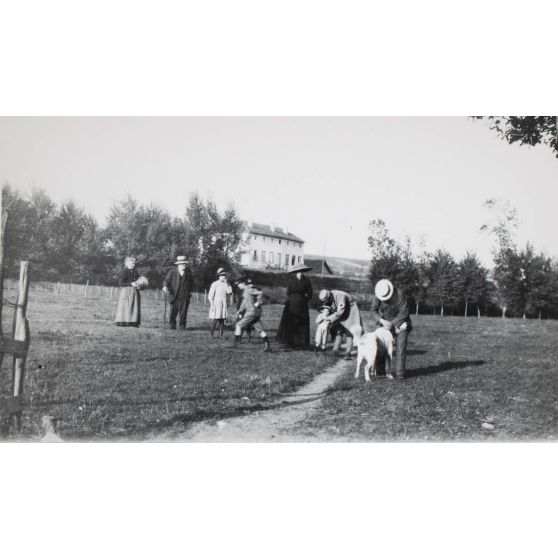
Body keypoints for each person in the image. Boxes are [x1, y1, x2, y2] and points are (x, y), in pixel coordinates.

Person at [370, 279, 412, 380]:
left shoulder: (400, 295)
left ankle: (400, 373)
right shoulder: (378, 294)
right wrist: (382, 321)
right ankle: (380, 371)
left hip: (401, 323)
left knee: (401, 347)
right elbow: (373, 310)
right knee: (380, 345)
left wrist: (392, 324)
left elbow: (404, 312)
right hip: (385, 322)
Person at [318, 289, 363, 359]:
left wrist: (329, 319)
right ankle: (335, 350)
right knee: (338, 330)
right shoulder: (330, 296)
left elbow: (340, 312)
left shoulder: (340, 296)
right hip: (340, 310)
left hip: (351, 309)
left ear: (329, 297)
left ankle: (348, 353)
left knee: (349, 331)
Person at [276, 264, 314, 347]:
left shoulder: (307, 281)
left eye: (301, 272)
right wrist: (291, 299)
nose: (299, 273)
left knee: (301, 322)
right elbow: (288, 292)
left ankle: (300, 342)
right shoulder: (292, 281)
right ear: (295, 272)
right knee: (290, 321)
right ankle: (289, 341)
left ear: (303, 272)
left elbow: (310, 293)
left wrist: (304, 300)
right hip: (291, 304)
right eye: (298, 272)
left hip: (302, 305)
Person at [233, 278, 271, 352]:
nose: (238, 286)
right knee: (260, 330)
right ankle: (268, 346)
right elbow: (244, 303)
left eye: (239, 284)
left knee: (238, 325)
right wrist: (239, 311)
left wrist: (258, 302)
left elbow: (260, 293)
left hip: (251, 312)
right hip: (255, 313)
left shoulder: (248, 289)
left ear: (243, 283)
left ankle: (235, 345)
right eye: (237, 285)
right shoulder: (245, 292)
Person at [163, 255, 194, 330]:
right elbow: (166, 280)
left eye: (185, 264)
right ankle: (172, 325)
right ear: (178, 264)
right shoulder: (172, 271)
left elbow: (192, 283)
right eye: (182, 264)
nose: (184, 265)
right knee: (173, 310)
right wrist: (165, 286)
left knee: (183, 311)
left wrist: (190, 292)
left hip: (185, 294)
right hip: (174, 294)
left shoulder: (188, 271)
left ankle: (182, 326)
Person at [115, 256, 141, 327]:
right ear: (127, 263)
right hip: (126, 291)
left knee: (134, 306)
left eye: (134, 263)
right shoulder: (124, 272)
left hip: (134, 292)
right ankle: (123, 322)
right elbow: (121, 283)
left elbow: (138, 281)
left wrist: (138, 285)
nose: (133, 265)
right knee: (125, 306)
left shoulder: (136, 272)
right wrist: (131, 284)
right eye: (131, 263)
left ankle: (133, 322)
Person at [208, 267, 233, 337]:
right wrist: (212, 305)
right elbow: (210, 296)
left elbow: (230, 291)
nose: (223, 277)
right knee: (216, 319)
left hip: (223, 303)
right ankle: (211, 334)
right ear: (218, 276)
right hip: (216, 303)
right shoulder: (215, 284)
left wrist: (227, 284)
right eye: (221, 275)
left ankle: (221, 334)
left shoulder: (226, 284)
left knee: (222, 319)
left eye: (224, 275)